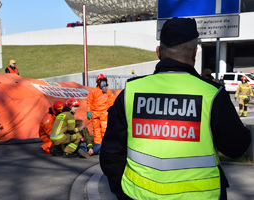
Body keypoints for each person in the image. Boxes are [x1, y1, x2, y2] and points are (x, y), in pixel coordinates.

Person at [100, 17, 251, 200]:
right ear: (194, 54)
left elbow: (110, 154)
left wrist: (122, 192)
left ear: (158, 52)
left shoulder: (131, 91)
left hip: (138, 196)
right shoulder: (212, 94)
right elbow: (236, 148)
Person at [86, 74, 116, 147]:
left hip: (104, 113)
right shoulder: (93, 91)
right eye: (101, 81)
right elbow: (89, 101)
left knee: (104, 129)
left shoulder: (108, 92)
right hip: (95, 113)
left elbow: (111, 102)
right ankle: (98, 145)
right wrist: (88, 111)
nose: (103, 83)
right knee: (96, 130)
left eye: (104, 81)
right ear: (98, 82)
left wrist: (110, 111)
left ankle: (105, 145)